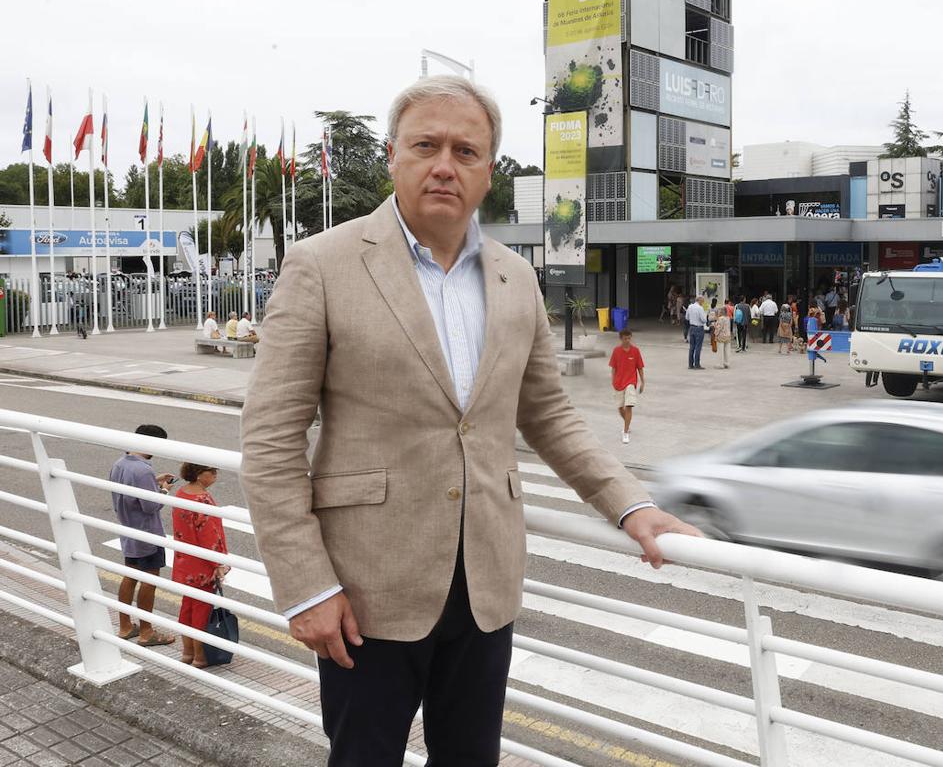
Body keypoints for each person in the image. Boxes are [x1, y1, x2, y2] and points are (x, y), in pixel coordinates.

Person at [239, 76, 700, 766]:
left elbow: (547, 413)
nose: (444, 164)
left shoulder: (516, 278)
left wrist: (630, 504)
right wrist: (308, 585)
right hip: (367, 590)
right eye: (425, 145)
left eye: (466, 150)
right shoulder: (323, 265)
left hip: (485, 584)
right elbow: (271, 439)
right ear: (394, 156)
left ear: (490, 172)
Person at [110, 425, 176, 647]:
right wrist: (164, 490)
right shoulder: (142, 470)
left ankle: (125, 625)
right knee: (149, 580)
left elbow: (130, 490)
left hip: (129, 531)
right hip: (147, 533)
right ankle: (147, 632)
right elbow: (150, 506)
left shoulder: (120, 464)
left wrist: (154, 481)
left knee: (130, 576)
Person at [172, 462, 229, 668]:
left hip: (185, 559)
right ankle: (199, 656)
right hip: (202, 563)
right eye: (211, 472)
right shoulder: (202, 499)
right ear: (198, 474)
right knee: (202, 609)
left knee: (188, 606)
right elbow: (209, 536)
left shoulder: (181, 493)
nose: (215, 475)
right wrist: (218, 563)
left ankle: (187, 652)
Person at [609, 329, 645, 444]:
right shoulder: (616, 351)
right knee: (620, 408)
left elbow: (640, 367)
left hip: (631, 382)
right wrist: (613, 381)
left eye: (629, 338)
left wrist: (643, 382)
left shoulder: (635, 351)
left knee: (629, 405)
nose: (627, 340)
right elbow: (613, 368)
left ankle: (625, 432)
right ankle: (627, 424)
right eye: (625, 338)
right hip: (618, 383)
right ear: (621, 339)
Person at [686, 293, 707, 369]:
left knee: (692, 346)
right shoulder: (700, 308)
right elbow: (704, 320)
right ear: (700, 300)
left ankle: (690, 364)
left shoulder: (690, 306)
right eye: (703, 301)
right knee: (698, 346)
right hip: (699, 328)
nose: (703, 302)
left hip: (691, 328)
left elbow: (687, 318)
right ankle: (697, 364)